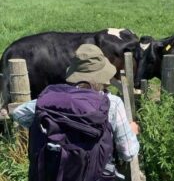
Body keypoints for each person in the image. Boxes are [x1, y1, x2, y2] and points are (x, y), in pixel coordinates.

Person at [11, 44, 140, 178]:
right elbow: (128, 153)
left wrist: (58, 128)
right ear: (103, 76)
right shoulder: (112, 104)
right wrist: (131, 131)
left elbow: (18, 113)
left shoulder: (54, 101)